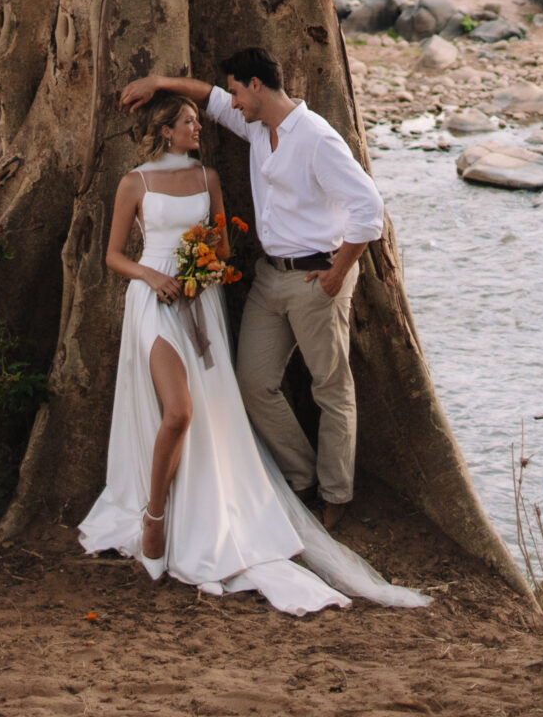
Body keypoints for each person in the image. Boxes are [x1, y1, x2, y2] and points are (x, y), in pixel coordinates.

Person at [77, 89, 424, 616]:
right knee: (178, 411)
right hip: (153, 303)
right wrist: (154, 274)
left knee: (213, 409)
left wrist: (206, 264)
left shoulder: (209, 179)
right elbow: (112, 257)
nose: (199, 128)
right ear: (166, 130)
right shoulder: (135, 183)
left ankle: (211, 504)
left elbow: (222, 247)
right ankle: (152, 517)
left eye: (198, 120)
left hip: (202, 301)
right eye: (189, 122)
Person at [119, 46, 386, 528]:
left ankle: (334, 496)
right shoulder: (260, 127)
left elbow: (370, 211)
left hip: (315, 276)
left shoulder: (318, 139)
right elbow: (212, 98)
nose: (233, 102)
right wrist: (159, 81)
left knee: (330, 388)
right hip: (269, 277)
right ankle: (300, 476)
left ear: (257, 86)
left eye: (239, 91)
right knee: (254, 384)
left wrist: (337, 273)